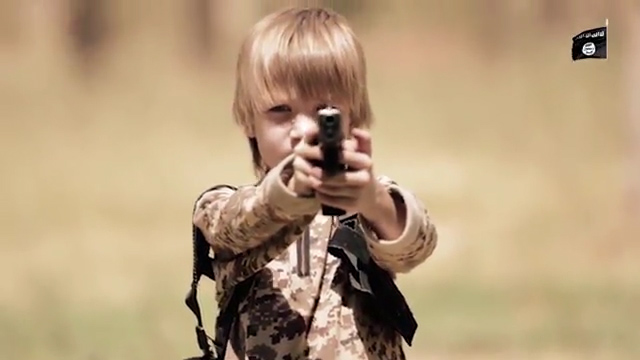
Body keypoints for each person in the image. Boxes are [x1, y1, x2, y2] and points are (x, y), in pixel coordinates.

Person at [192, 6, 438, 360]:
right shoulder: (223, 205)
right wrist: (288, 194)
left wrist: (374, 202)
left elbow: (416, 247)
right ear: (248, 119)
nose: (304, 130)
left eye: (324, 112)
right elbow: (233, 225)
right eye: (281, 111)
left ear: (354, 115)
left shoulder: (366, 203)